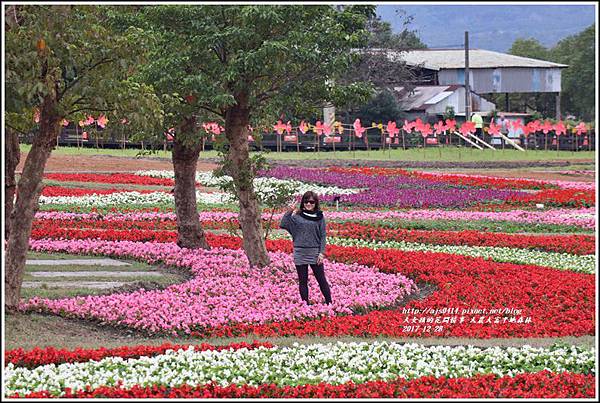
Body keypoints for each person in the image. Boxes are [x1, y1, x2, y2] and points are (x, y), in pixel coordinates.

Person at [280, 191, 332, 305]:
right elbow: (283, 224)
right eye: (306, 201)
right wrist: (289, 211)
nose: (309, 204)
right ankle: (305, 304)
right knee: (303, 280)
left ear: (315, 203)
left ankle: (330, 303)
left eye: (311, 202)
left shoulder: (319, 217)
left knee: (321, 279)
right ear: (303, 202)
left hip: (314, 252)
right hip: (300, 252)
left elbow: (323, 235)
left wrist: (321, 253)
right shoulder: (297, 216)